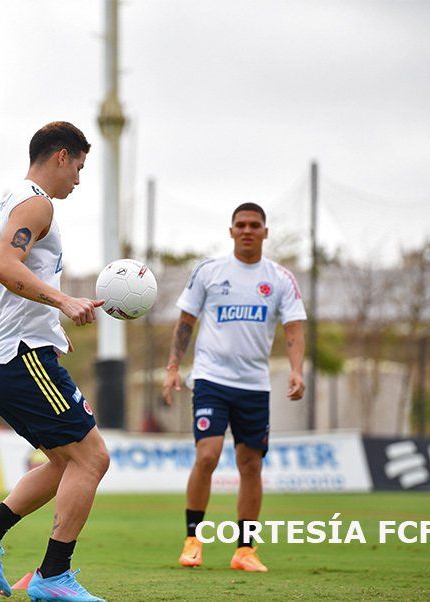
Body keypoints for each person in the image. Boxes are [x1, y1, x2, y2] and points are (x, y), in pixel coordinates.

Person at [0, 121, 109, 602]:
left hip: (8, 358)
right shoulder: (37, 202)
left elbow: (12, 274)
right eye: (79, 167)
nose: (79, 181)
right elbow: (6, 267)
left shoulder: (15, 200)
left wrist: (52, 327)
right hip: (19, 358)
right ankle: (53, 577)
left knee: (67, 462)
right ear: (61, 155)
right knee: (93, 458)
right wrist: (62, 302)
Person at [162, 203, 307, 573]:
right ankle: (193, 539)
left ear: (265, 232)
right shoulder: (210, 272)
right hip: (211, 379)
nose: (247, 230)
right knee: (207, 456)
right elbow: (186, 321)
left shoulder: (279, 279)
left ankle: (245, 550)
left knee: (251, 465)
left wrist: (296, 371)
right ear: (230, 231)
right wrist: (174, 366)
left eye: (254, 225)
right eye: (240, 225)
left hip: (254, 385)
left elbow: (293, 328)